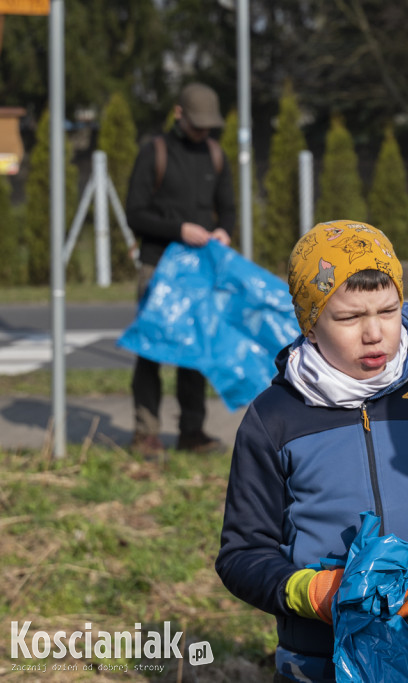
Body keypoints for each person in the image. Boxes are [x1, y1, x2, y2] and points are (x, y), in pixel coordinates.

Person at [216, 221, 408, 683]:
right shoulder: (274, 416)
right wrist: (311, 591)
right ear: (310, 323)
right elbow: (242, 552)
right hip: (318, 667)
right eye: (349, 318)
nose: (375, 333)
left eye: (388, 311)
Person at [124, 82, 235, 458]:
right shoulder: (154, 152)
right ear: (178, 114)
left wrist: (224, 231)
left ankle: (192, 432)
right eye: (196, 125)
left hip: (200, 270)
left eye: (208, 126)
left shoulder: (216, 155)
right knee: (150, 350)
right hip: (157, 265)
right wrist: (179, 230)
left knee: (196, 352)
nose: (202, 132)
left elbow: (228, 208)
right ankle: (145, 434)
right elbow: (135, 213)